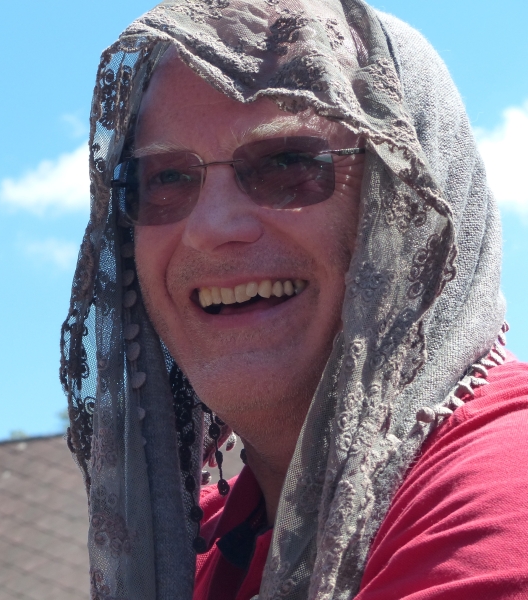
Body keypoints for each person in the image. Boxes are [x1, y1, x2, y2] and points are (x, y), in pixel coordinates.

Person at [59, 1, 528, 599]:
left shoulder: (500, 495)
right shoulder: (204, 548)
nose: (212, 227)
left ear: (410, 203)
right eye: (166, 178)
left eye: (286, 163)